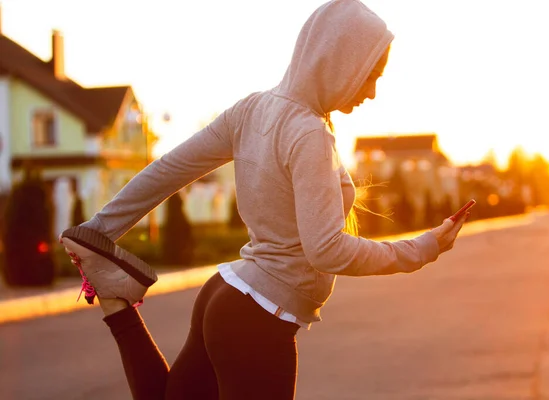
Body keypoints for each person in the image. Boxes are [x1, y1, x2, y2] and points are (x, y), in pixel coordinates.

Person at [59, 1, 469, 399]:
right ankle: (114, 298)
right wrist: (421, 249)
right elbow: (326, 250)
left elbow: (170, 168)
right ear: (338, 62)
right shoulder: (309, 133)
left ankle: (117, 306)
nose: (373, 92)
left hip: (224, 294)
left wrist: (99, 229)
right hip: (258, 319)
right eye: (369, 76)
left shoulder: (253, 109)